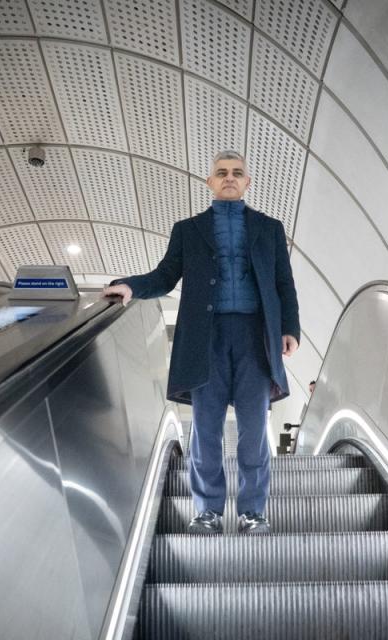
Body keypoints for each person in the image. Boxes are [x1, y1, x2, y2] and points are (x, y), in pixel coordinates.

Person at [103, 150, 300, 535]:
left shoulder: (269, 228)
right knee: (205, 428)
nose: (229, 178)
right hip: (203, 338)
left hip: (255, 337)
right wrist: (131, 286)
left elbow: (283, 283)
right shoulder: (187, 230)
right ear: (209, 182)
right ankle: (207, 510)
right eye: (222, 173)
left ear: (247, 183)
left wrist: (289, 328)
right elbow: (164, 276)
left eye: (237, 173)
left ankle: (252, 511)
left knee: (254, 429)